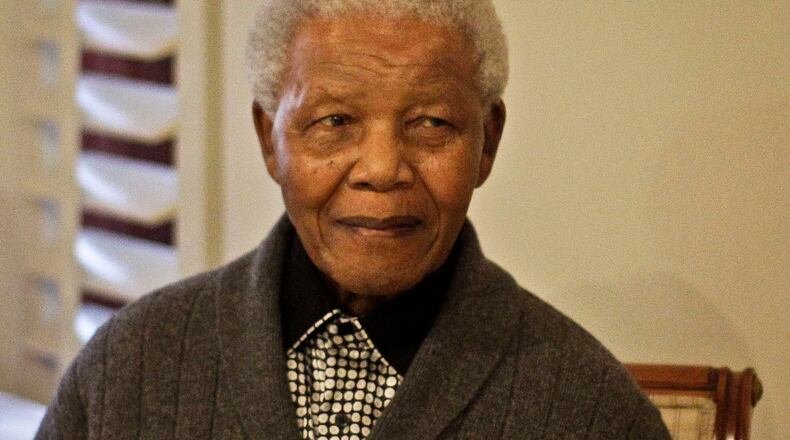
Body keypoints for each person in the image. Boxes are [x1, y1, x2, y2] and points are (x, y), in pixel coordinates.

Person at [37, 1, 670, 438]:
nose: (381, 168)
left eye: (432, 123)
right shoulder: (131, 367)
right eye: (334, 121)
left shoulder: (589, 409)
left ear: (487, 143)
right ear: (270, 139)